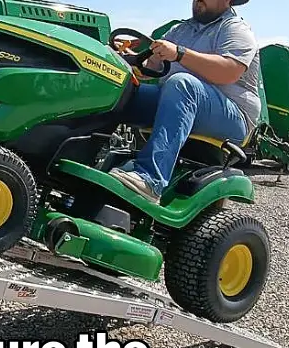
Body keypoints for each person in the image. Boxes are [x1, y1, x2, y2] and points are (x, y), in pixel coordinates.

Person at [108, 0, 260, 204]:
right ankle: (84, 156)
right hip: (179, 99)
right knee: (122, 91)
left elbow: (228, 71)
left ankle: (149, 179)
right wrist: (127, 58)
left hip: (232, 115)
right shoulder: (180, 29)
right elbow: (151, 65)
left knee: (181, 84)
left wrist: (180, 54)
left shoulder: (235, 29)